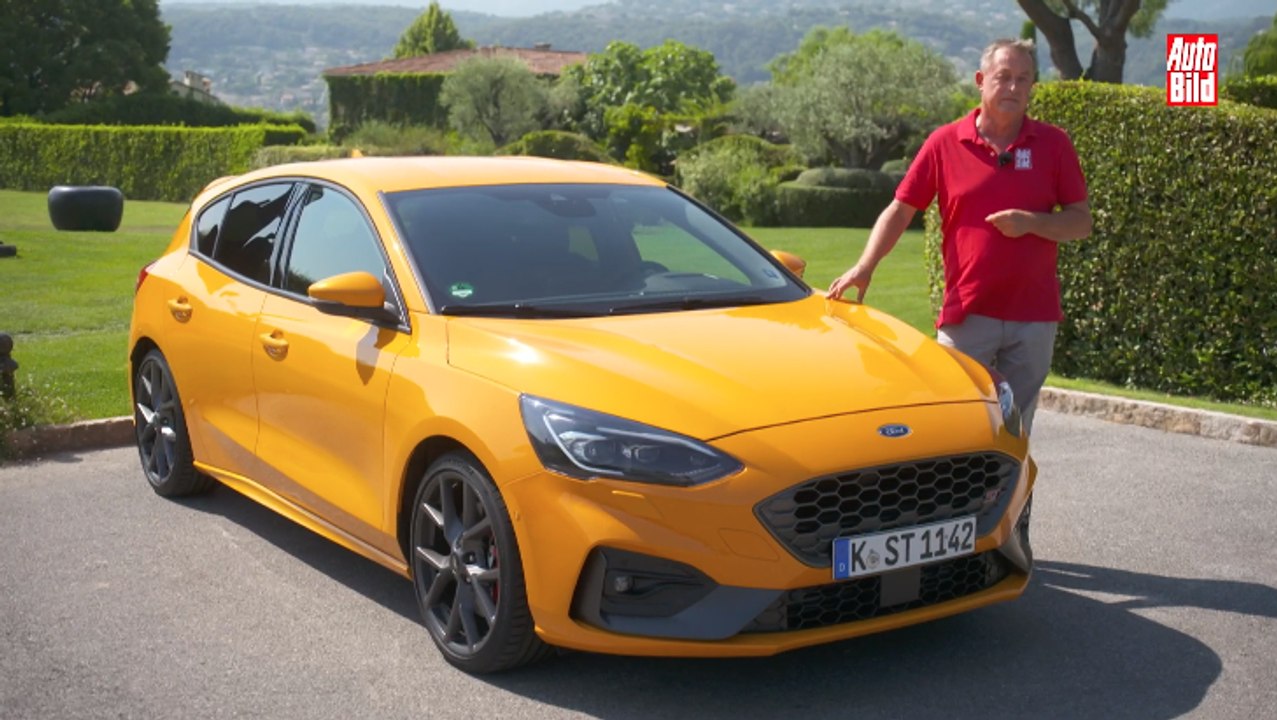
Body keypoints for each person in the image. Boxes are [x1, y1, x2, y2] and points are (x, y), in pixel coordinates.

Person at [826, 38, 1092, 434]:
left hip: (1033, 318)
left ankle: (1009, 499)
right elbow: (901, 208)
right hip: (967, 314)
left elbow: (1080, 222)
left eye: (1024, 79)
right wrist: (866, 266)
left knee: (1014, 432)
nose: (1014, 88)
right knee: (954, 426)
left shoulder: (1054, 145)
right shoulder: (945, 142)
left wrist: (1032, 222)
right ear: (981, 81)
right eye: (1004, 78)